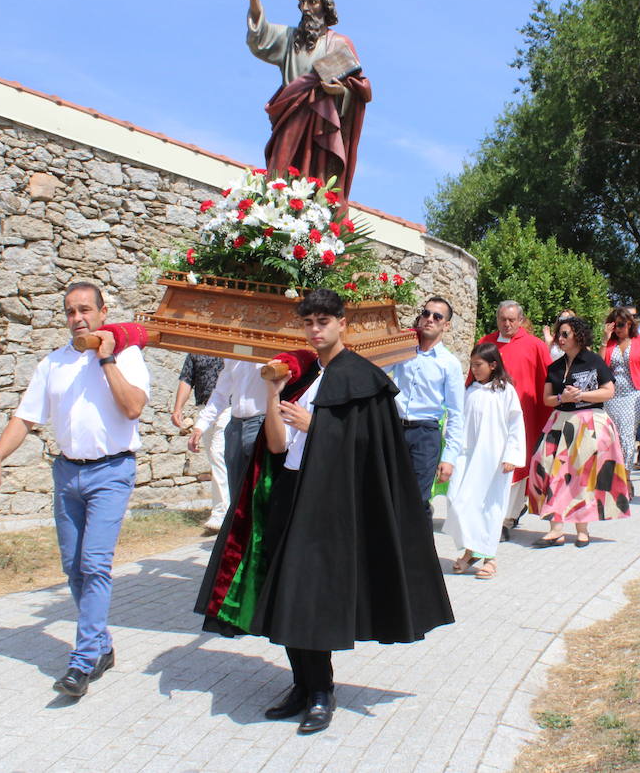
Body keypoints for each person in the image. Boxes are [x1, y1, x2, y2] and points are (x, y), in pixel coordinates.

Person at [194, 289, 453, 735]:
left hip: (333, 504)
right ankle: (301, 684)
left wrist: (317, 427)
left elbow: (373, 447)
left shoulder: (363, 378)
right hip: (292, 493)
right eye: (309, 322)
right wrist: (274, 394)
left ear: (342, 324)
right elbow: (275, 445)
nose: (316, 330)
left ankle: (321, 692)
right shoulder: (300, 377)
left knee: (310, 596)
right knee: (286, 592)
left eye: (324, 322)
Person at [0, 281, 150, 698]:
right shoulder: (52, 364)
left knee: (94, 564)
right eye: (71, 312)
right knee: (73, 567)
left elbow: (133, 408)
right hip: (68, 474)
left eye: (86, 310)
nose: (78, 319)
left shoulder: (127, 356)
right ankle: (102, 645)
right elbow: (25, 418)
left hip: (111, 471)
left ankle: (84, 657)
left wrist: (106, 361)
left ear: (103, 312)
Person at [242, 0, 371, 196]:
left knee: (315, 176)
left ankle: (311, 219)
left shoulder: (339, 44)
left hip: (321, 119)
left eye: (312, 2)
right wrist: (254, 1)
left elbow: (358, 88)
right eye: (302, 2)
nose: (306, 7)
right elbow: (260, 36)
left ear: (325, 6)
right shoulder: (290, 37)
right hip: (290, 114)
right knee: (280, 173)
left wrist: (339, 91)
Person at [527, 316, 629, 545]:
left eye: (565, 334)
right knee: (548, 469)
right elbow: (546, 400)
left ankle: (583, 529)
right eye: (558, 334)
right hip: (560, 422)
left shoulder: (593, 361)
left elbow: (608, 391)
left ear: (578, 336)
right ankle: (556, 528)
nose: (560, 339)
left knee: (582, 475)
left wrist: (581, 395)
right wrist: (562, 397)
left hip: (588, 422)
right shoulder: (555, 366)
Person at [442, 343, 527, 580]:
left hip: (494, 459)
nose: (474, 369)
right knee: (457, 502)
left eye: (478, 365)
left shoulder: (504, 391)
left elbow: (515, 424)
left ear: (493, 365)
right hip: (465, 456)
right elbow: (456, 421)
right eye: (472, 365)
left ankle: (490, 557)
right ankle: (470, 550)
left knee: (489, 507)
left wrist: (512, 455)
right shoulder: (469, 391)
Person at [476, 301, 552, 531]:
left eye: (511, 320)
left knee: (517, 463)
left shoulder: (535, 345)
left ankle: (508, 517)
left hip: (522, 415)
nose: (507, 324)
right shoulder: (485, 342)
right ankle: (489, 510)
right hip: (490, 414)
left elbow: (548, 379)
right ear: (497, 319)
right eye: (502, 319)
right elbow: (474, 374)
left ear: (520, 320)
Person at [390, 296, 465, 514]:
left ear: (446, 325)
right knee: (388, 493)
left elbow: (456, 413)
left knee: (416, 500)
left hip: (425, 434)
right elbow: (379, 372)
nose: (429, 319)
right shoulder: (402, 351)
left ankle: (417, 546)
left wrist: (449, 458)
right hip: (395, 429)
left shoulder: (449, 364)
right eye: (426, 313)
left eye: (437, 316)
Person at [188, 358, 268, 529]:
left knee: (259, 492)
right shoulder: (236, 354)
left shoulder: (271, 348)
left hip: (262, 424)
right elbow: (221, 393)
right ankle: (238, 543)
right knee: (237, 495)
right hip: (236, 426)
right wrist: (201, 425)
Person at [172, 354, 227, 532]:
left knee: (219, 455)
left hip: (229, 408)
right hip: (206, 409)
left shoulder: (231, 346)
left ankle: (221, 514)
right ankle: (226, 509)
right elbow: (187, 379)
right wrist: (178, 408)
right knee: (215, 458)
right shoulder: (195, 352)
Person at [602, 308, 640, 478]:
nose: (617, 329)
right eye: (614, 325)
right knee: (614, 436)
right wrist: (604, 339)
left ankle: (626, 478)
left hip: (634, 394)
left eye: (621, 325)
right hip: (612, 395)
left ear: (629, 323)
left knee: (626, 435)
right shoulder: (609, 343)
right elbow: (600, 367)